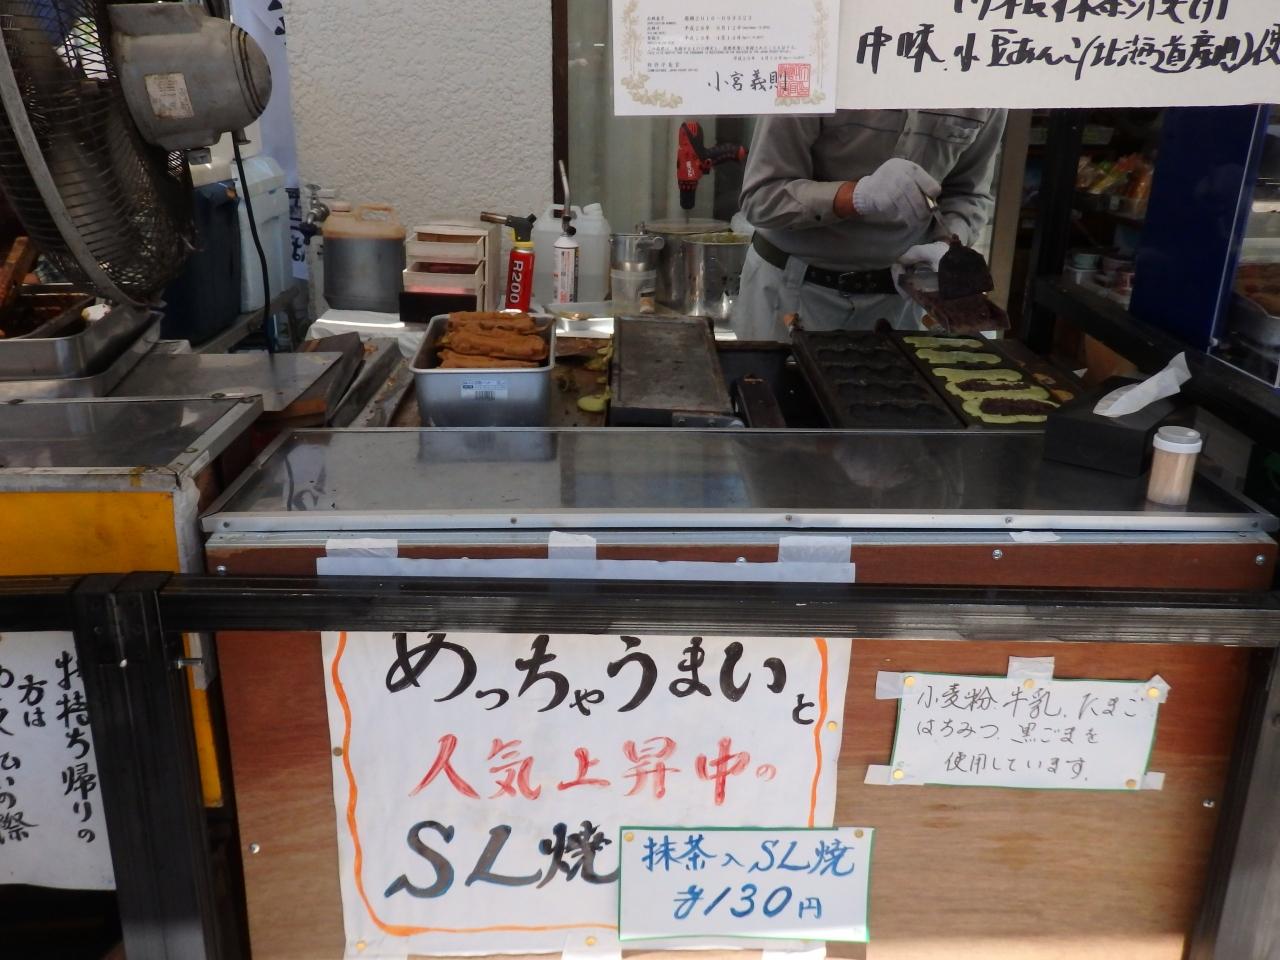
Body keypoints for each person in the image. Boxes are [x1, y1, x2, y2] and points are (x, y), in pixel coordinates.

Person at [735, 109, 1007, 340]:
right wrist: (856, 196)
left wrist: (946, 244)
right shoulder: (820, 68)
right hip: (794, 287)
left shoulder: (983, 78)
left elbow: (968, 193)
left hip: (903, 296)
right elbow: (762, 198)